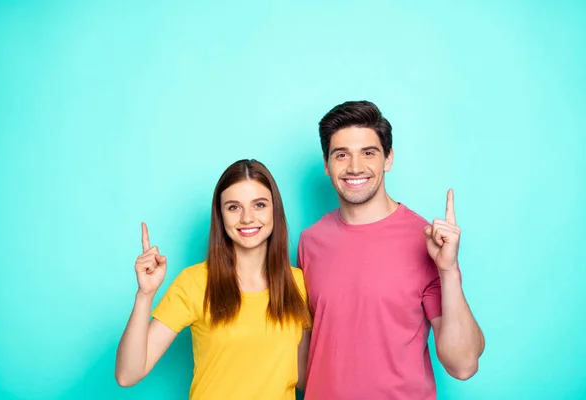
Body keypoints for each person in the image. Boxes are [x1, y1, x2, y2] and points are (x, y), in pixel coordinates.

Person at [297, 101, 485, 400]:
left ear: (388, 159)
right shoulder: (310, 241)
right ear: (326, 164)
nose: (355, 167)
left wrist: (448, 270)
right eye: (341, 154)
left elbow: (463, 365)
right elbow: (308, 352)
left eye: (368, 153)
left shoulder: (425, 239)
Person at [115, 159, 312, 400]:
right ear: (220, 215)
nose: (247, 218)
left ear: (275, 211)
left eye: (259, 205)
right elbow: (127, 375)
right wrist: (145, 294)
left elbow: (305, 377)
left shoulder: (299, 285)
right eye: (233, 207)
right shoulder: (194, 283)